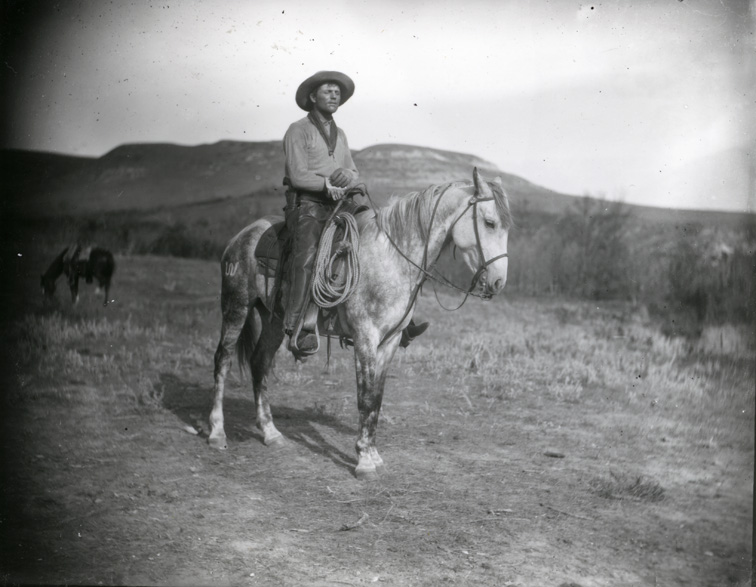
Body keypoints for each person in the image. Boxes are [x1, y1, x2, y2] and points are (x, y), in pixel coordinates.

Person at [282, 71, 428, 356]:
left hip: (340, 202)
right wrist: (326, 184)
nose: (334, 95)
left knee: (379, 239)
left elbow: (352, 170)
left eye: (337, 92)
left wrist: (347, 177)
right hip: (308, 204)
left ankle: (399, 320)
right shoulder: (298, 130)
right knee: (309, 253)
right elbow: (298, 175)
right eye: (328, 91)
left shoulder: (341, 134)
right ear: (313, 97)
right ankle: (297, 325)